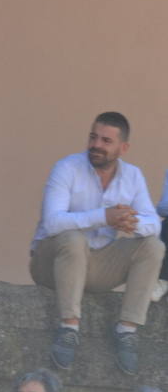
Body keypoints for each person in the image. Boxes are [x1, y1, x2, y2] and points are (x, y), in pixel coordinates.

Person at [31, 112, 164, 374]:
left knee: (153, 246)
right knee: (72, 237)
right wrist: (104, 217)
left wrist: (129, 223)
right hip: (51, 263)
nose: (96, 145)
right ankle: (69, 327)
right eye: (93, 137)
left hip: (97, 266)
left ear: (123, 148)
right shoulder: (67, 168)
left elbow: (154, 224)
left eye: (106, 140)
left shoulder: (133, 176)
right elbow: (52, 223)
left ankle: (127, 330)